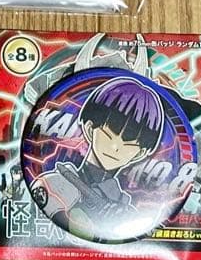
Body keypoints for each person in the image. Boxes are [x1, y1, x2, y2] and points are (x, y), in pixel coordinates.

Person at [30, 77, 164, 237]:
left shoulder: (123, 204)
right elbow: (48, 227)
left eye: (128, 143)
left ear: (140, 153)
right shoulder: (56, 183)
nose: (115, 147)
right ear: (89, 129)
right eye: (109, 134)